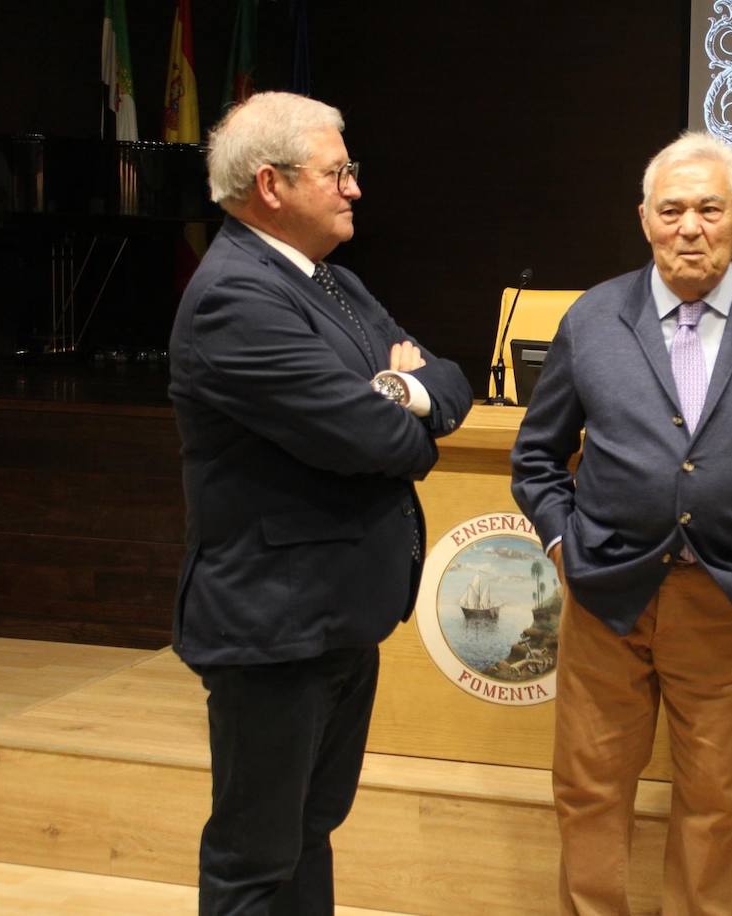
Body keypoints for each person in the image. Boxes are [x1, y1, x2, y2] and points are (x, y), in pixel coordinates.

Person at [511, 131, 732, 914]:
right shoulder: (595, 317)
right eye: (672, 210)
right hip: (605, 596)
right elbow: (537, 457)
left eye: (710, 209)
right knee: (591, 793)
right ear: (644, 218)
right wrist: (565, 543)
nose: (690, 227)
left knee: (716, 807)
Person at [168, 91, 472, 915]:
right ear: (271, 184)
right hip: (273, 627)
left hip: (336, 616)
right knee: (256, 858)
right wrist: (403, 404)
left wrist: (400, 388)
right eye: (339, 172)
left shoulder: (332, 282)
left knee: (309, 831)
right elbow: (384, 442)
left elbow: (449, 380)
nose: (354, 189)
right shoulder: (238, 297)